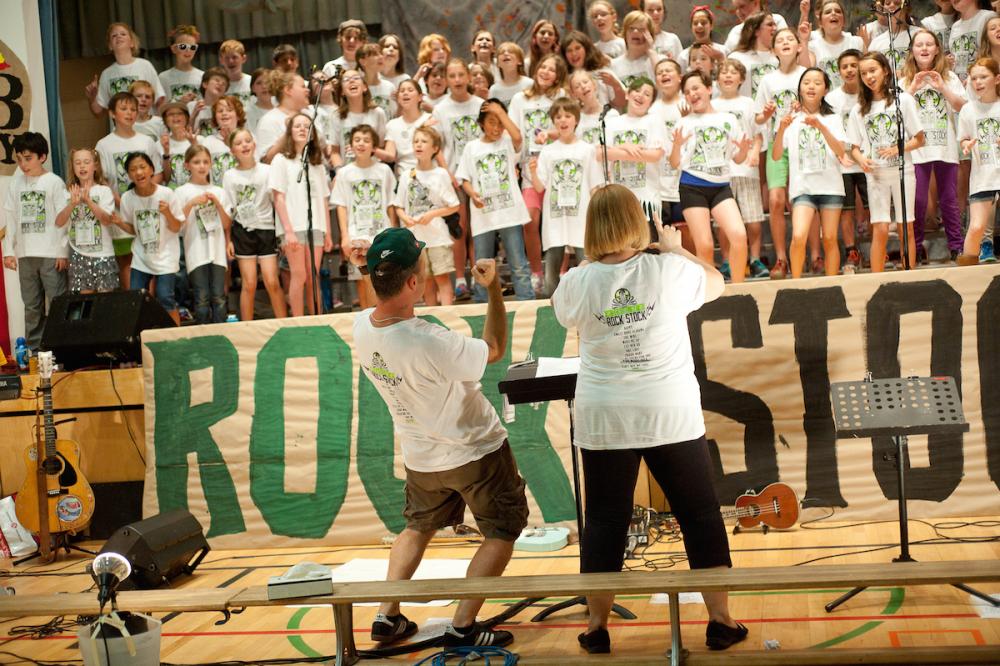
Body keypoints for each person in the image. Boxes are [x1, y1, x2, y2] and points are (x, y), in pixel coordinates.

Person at [549, 184, 744, 655]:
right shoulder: (668, 269)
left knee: (604, 521)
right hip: (668, 410)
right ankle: (720, 621)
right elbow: (718, 282)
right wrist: (680, 250)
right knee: (698, 515)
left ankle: (596, 628)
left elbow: (561, 315)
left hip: (606, 413)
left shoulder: (577, 280)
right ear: (638, 222)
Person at [345, 226, 527, 649]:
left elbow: (377, 291)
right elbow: (495, 347)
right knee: (501, 531)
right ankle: (463, 626)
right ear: (412, 282)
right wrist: (494, 289)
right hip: (474, 450)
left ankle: (386, 616)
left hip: (421, 456)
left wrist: (365, 265)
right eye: (423, 269)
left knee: (417, 528)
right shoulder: (428, 340)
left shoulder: (361, 328)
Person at [671, 71, 752, 283]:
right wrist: (677, 145)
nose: (692, 94)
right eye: (687, 92)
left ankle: (738, 288)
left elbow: (738, 158)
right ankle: (708, 293)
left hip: (721, 187)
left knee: (739, 235)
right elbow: (674, 163)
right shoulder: (684, 123)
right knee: (705, 245)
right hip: (692, 186)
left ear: (709, 89)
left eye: (696, 88)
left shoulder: (728, 119)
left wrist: (744, 149)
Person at [847, 51, 925, 272]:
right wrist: (862, 159)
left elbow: (920, 139)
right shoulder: (859, 109)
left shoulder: (903, 101)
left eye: (873, 71)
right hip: (877, 175)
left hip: (903, 173)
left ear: (886, 71)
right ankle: (876, 280)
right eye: (864, 73)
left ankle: (908, 273)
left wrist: (897, 149)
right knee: (880, 228)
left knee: (905, 227)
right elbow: (853, 147)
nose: (869, 77)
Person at [771, 67, 849, 277]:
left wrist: (821, 126)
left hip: (831, 187)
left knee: (831, 238)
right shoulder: (791, 118)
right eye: (806, 82)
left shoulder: (833, 118)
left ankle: (833, 285)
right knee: (798, 236)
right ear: (800, 89)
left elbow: (841, 151)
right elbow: (777, 155)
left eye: (817, 83)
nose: (811, 86)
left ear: (825, 89)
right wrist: (781, 129)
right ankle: (796, 285)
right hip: (802, 188)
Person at [455, 99, 534, 302]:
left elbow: (518, 136)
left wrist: (500, 111)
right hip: (483, 215)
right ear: (481, 123)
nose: (496, 127)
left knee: (518, 262)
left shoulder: (507, 142)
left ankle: (526, 301)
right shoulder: (472, 148)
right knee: (482, 263)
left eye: (499, 122)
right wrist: (473, 194)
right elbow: (464, 178)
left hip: (509, 213)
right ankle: (481, 304)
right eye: (491, 122)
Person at [902, 29, 966, 263]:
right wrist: (912, 89)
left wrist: (943, 88)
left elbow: (962, 106)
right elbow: (896, 112)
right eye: (919, 45)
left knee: (948, 198)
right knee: (918, 201)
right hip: (917, 150)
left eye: (930, 44)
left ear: (937, 48)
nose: (925, 48)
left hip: (945, 147)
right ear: (913, 51)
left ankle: (956, 247)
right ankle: (915, 247)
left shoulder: (948, 77)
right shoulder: (904, 80)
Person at [528, 98, 602, 296]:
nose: (563, 120)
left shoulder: (587, 150)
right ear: (553, 121)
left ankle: (590, 303)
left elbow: (595, 186)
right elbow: (538, 186)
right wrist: (533, 171)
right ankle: (551, 309)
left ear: (576, 120)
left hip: (581, 218)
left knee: (586, 264)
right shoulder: (548, 151)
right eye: (558, 117)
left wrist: (596, 217)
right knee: (552, 269)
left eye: (567, 116)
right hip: (555, 219)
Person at [1, 132, 68, 349]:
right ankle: (35, 351)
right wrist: (9, 251)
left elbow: (63, 219)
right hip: (26, 253)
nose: (23, 164)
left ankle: (61, 347)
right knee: (31, 306)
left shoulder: (54, 182)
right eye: (19, 159)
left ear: (42, 157)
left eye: (28, 158)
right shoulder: (16, 182)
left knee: (57, 303)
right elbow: (10, 216)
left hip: (50, 253)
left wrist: (62, 251)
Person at [270, 112, 334, 316]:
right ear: (289, 131)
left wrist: (328, 233)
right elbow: (278, 197)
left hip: (316, 225)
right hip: (293, 226)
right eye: (297, 125)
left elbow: (324, 199)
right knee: (298, 274)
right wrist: (288, 231)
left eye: (307, 126)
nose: (302, 129)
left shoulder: (317, 164)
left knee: (313, 275)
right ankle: (298, 321)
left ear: (313, 133)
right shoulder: (280, 160)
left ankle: (317, 319)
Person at [713, 59, 770, 278]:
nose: (727, 76)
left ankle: (754, 259)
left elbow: (757, 133)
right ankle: (727, 261)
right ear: (717, 79)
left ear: (742, 79)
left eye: (733, 72)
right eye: (723, 72)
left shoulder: (748, 103)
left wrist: (755, 152)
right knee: (723, 222)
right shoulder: (713, 105)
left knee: (752, 219)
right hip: (722, 172)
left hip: (746, 169)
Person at [392, 126, 460, 306]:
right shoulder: (407, 175)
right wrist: (404, 217)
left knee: (442, 278)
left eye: (423, 141)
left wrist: (432, 214)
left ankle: (447, 316)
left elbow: (454, 205)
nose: (418, 145)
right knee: (424, 281)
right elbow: (398, 205)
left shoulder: (440, 174)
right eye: (416, 141)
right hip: (416, 238)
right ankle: (432, 319)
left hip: (437, 236)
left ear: (435, 148)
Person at [331, 124, 396, 310]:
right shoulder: (344, 173)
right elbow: (341, 206)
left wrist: (393, 232)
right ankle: (366, 319)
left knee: (383, 278)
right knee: (361, 277)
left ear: (374, 146)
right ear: (350, 144)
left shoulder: (384, 170)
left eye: (366, 140)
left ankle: (384, 319)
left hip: (381, 234)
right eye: (357, 140)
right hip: (356, 234)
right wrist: (344, 236)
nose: (361, 144)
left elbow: (391, 204)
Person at [224, 128, 286, 320]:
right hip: (242, 232)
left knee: (271, 281)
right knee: (249, 284)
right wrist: (228, 240)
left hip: (266, 230)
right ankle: (247, 328)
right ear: (232, 150)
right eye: (238, 143)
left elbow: (278, 203)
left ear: (254, 144)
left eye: (247, 141)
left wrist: (282, 234)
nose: (244, 145)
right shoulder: (229, 175)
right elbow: (229, 210)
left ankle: (285, 325)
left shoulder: (267, 171)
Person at [117, 152, 185, 323]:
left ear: (151, 170)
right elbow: (133, 230)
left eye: (142, 167)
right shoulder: (127, 198)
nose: (138, 172)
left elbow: (177, 227)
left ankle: (178, 339)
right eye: (133, 169)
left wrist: (167, 212)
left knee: (165, 297)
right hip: (141, 257)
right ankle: (143, 339)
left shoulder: (167, 193)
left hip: (166, 257)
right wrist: (117, 222)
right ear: (129, 175)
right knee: (136, 299)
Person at [174, 145, 232, 324]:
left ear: (211, 165)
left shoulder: (219, 191)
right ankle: (203, 336)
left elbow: (227, 223)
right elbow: (177, 225)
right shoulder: (181, 192)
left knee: (219, 295)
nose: (201, 166)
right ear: (187, 165)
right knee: (202, 297)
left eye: (205, 162)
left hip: (217, 251)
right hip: (196, 251)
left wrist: (218, 204)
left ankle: (221, 333)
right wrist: (191, 203)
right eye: (196, 162)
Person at [54, 148, 120, 293]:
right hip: (79, 255)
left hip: (103, 254)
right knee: (85, 303)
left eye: (86, 162)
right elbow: (58, 223)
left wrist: (88, 201)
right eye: (78, 163)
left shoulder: (104, 191)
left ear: (95, 166)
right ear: (73, 167)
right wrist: (72, 204)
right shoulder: (67, 193)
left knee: (105, 301)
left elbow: (107, 220)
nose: (82, 166)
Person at [827, 49, 868, 271]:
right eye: (845, 66)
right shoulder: (832, 98)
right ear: (839, 71)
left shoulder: (870, 93)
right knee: (847, 210)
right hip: (843, 162)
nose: (850, 70)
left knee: (874, 206)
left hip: (868, 160)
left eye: (854, 65)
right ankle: (851, 251)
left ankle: (873, 248)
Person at [956, 57, 1000, 264]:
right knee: (976, 228)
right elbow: (963, 139)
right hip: (983, 176)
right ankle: (968, 276)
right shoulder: (968, 109)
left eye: (984, 77)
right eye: (974, 78)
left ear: (997, 78)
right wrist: (966, 145)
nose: (978, 82)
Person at [85, 22, 165, 117]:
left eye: (123, 34)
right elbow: (97, 111)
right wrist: (92, 98)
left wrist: (163, 125)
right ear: (110, 45)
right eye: (114, 36)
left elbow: (160, 99)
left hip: (146, 129)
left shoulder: (145, 65)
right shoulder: (106, 74)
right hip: (120, 130)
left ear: (132, 43)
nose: (119, 36)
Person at [159, 24, 203, 104]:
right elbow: (161, 108)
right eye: (183, 46)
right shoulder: (163, 78)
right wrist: (180, 103)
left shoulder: (202, 76)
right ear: (174, 49)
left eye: (192, 47)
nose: (188, 50)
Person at [220, 39, 253, 107]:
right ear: (221, 60)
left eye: (234, 57)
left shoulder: (252, 82)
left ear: (243, 58)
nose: (231, 61)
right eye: (226, 58)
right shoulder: (218, 86)